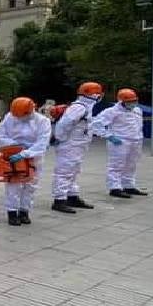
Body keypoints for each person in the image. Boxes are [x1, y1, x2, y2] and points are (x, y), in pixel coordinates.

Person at [0, 97, 52, 226]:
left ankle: (24, 211)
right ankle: (12, 212)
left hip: (34, 156)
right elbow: (1, 135)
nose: (19, 118)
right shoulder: (10, 117)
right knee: (13, 185)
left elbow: (42, 143)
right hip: (13, 155)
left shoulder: (43, 121)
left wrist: (26, 153)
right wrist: (16, 147)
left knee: (30, 185)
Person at [50, 82, 103, 214]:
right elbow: (65, 124)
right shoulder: (79, 108)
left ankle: (72, 196)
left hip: (77, 145)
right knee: (64, 172)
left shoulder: (85, 107)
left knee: (73, 172)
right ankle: (59, 200)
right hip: (70, 145)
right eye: (98, 93)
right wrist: (59, 138)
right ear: (94, 94)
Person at [90, 88, 146, 199]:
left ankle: (128, 185)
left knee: (131, 164)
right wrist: (108, 136)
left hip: (136, 141)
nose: (133, 103)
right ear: (122, 101)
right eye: (130, 101)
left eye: (134, 100)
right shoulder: (112, 111)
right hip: (120, 141)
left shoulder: (137, 110)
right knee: (116, 165)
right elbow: (96, 124)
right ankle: (114, 187)